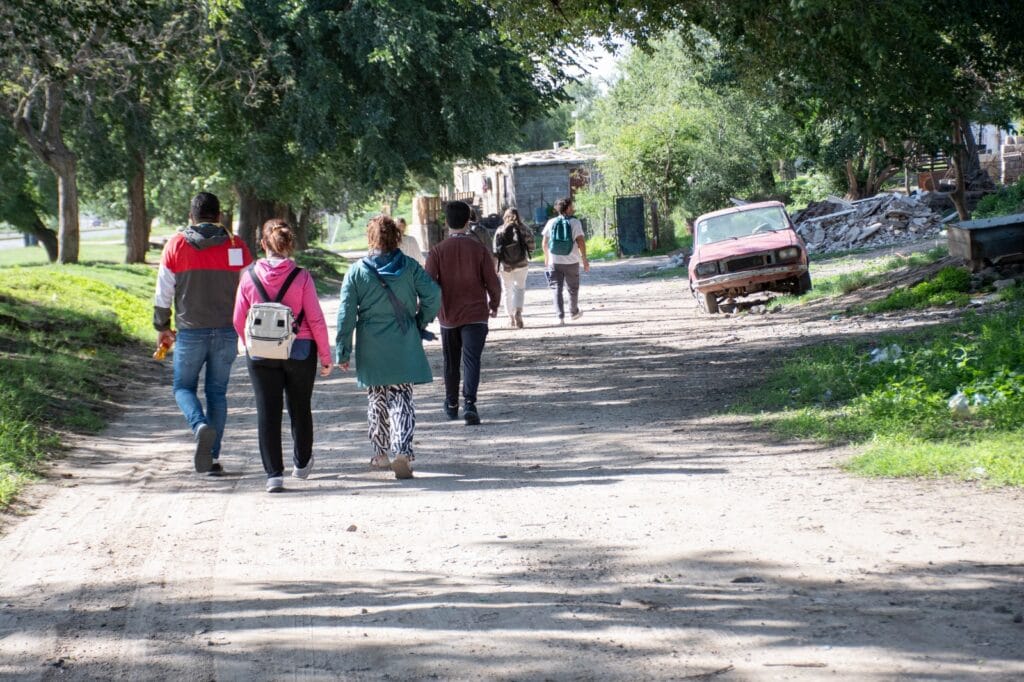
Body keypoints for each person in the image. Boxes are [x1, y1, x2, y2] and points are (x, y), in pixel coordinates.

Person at [154, 192, 253, 475]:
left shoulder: (175, 245)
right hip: (226, 331)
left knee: (183, 387)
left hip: (190, 332)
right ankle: (211, 458)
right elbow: (250, 288)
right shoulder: (236, 245)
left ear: (191, 217)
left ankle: (199, 425)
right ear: (219, 216)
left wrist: (162, 326)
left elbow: (163, 292)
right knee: (217, 393)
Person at [336, 215, 441, 479]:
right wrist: (420, 320)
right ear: (397, 237)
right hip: (403, 338)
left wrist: (343, 350)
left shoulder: (357, 271)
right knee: (402, 397)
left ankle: (380, 454)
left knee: (377, 398)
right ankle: (402, 450)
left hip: (371, 343)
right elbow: (434, 294)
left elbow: (346, 314)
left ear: (370, 238)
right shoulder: (410, 267)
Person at [233, 219, 333, 493]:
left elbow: (238, 318)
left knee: (268, 411)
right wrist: (325, 356)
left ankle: (274, 475)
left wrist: (249, 344)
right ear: (290, 244)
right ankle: (301, 463)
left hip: (261, 353)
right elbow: (315, 318)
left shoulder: (249, 276)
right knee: (300, 408)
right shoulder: (302, 277)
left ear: (263, 244)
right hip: (299, 350)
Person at [424, 201, 501, 426]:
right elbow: (492, 281)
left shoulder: (437, 251)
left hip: (449, 315)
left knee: (451, 361)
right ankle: (470, 403)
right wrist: (494, 303)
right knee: (471, 360)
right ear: (468, 221)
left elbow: (428, 285)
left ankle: (451, 404)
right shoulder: (479, 249)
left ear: (446, 222)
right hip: (476, 314)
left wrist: (430, 311)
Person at [542, 197, 590, 324]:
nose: (573, 208)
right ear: (567, 208)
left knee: (556, 289)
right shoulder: (575, 222)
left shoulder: (551, 222)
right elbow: (581, 241)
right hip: (572, 261)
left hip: (554, 261)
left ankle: (560, 317)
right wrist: (584, 259)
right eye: (571, 206)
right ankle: (573, 313)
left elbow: (544, 243)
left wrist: (547, 258)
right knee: (572, 288)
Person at [492, 207, 536, 329]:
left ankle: (510, 317)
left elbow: (495, 250)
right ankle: (518, 312)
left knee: (507, 290)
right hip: (521, 264)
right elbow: (532, 246)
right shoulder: (524, 229)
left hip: (505, 265)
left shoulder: (500, 230)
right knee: (519, 288)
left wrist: (495, 265)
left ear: (505, 217)